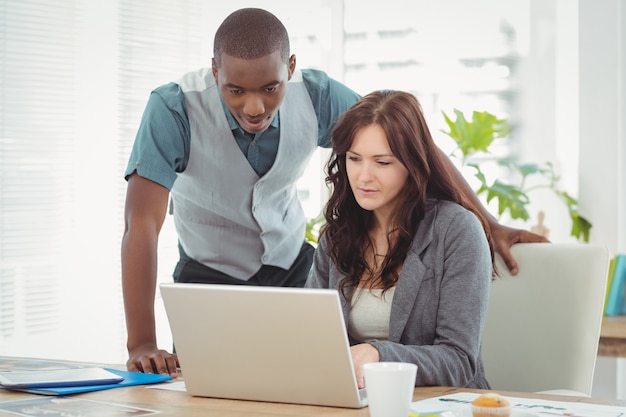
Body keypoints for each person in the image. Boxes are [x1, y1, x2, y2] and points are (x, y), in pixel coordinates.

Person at [121, 7, 545, 377]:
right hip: (209, 272)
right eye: (235, 90)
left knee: (299, 375)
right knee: (209, 388)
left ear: (289, 67)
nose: (254, 107)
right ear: (216, 73)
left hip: (290, 264)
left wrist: (487, 222)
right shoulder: (173, 109)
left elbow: (404, 140)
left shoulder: (318, 95)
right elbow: (141, 224)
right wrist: (141, 342)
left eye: (270, 88)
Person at [305, 89, 493, 389]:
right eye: (354, 159)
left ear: (412, 164)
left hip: (438, 405)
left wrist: (379, 356)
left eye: (382, 163)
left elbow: (459, 360)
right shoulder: (336, 238)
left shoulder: (456, 230)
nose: (363, 176)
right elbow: (311, 339)